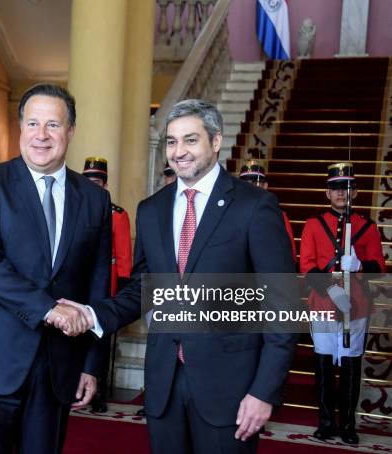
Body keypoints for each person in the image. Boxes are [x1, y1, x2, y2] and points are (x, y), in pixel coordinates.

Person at [57, 99, 297, 454]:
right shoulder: (151, 210)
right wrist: (92, 315)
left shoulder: (254, 206)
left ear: (215, 142)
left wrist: (264, 391)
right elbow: (142, 290)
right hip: (164, 385)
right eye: (171, 141)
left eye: (190, 140)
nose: (178, 151)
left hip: (230, 388)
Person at [0, 84, 111, 454]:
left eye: (53, 124)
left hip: (58, 367)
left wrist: (92, 364)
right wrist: (49, 309)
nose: (41, 135)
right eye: (33, 123)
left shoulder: (95, 198)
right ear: (20, 128)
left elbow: (97, 285)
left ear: (71, 131)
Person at [300, 163, 385, 444]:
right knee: (323, 364)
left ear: (356, 192)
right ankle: (326, 422)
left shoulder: (368, 227)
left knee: (350, 365)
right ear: (327, 193)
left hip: (356, 305)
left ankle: (348, 425)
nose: (341, 193)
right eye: (336, 188)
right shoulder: (314, 224)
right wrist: (331, 290)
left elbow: (379, 268)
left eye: (347, 188)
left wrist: (359, 265)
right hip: (323, 303)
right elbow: (307, 267)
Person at [82, 156, 132, 412]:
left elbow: (123, 255)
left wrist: (121, 294)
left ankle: (98, 390)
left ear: (105, 184)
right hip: (77, 285)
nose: (93, 185)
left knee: (99, 340)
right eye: (89, 180)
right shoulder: (74, 209)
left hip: (105, 286)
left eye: (97, 181)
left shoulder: (117, 215)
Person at [238, 160, 297, 261]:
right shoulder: (230, 214)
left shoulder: (278, 216)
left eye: (255, 182)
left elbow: (290, 254)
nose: (249, 187)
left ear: (265, 186)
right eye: (244, 183)